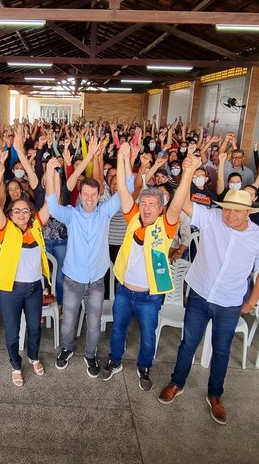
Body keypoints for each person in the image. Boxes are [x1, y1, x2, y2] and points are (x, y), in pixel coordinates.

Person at [158, 154, 259, 426]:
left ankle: (215, 396)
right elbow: (183, 203)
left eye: (237, 210)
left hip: (230, 303)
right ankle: (177, 383)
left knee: (221, 351)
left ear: (248, 212)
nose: (230, 215)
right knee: (188, 343)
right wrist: (187, 173)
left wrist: (251, 302)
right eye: (227, 209)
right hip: (199, 294)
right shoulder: (210, 218)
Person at [100, 144, 188, 389]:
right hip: (125, 291)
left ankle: (144, 367)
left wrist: (188, 173)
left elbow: (178, 203)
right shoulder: (132, 218)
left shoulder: (167, 225)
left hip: (150, 295)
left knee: (148, 335)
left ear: (160, 208)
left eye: (152, 204)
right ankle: (115, 361)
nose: (147, 208)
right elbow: (122, 188)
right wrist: (121, 156)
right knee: (118, 330)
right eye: (144, 203)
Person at [45, 137, 132, 377]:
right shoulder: (71, 215)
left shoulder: (105, 212)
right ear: (80, 195)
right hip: (72, 279)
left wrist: (125, 159)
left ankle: (91, 356)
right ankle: (67, 349)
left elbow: (129, 188)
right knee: (68, 321)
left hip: (96, 282)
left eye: (94, 194)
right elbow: (52, 206)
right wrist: (51, 173)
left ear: (98, 194)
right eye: (86, 194)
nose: (90, 198)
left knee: (94, 325)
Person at [0, 147, 51, 386]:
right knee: (12, 331)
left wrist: (51, 173)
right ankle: (15, 364)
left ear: (31, 213)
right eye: (17, 210)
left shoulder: (36, 227)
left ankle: (33, 357)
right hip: (10, 290)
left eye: (26, 210)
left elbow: (51, 203)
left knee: (34, 328)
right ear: (11, 214)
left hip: (34, 288)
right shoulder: (6, 230)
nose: (22, 213)